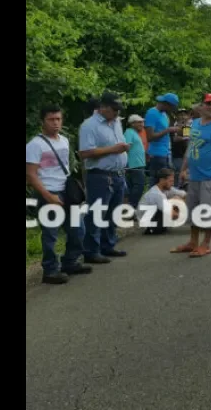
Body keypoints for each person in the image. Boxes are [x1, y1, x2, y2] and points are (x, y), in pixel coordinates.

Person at [26, 105, 91, 284]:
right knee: (51, 234)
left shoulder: (64, 140)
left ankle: (70, 262)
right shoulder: (34, 145)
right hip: (48, 192)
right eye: (51, 119)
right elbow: (30, 175)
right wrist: (48, 196)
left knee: (78, 229)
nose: (56, 123)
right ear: (42, 121)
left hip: (66, 191)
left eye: (58, 119)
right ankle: (50, 270)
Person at [174, 93, 211, 258]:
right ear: (201, 107)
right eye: (208, 104)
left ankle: (205, 244)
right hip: (194, 175)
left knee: (208, 211)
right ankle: (192, 242)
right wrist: (183, 168)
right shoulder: (195, 124)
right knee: (193, 210)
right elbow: (191, 147)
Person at [79, 92, 130, 262]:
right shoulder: (89, 125)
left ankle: (107, 245)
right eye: (114, 109)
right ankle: (91, 251)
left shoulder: (116, 123)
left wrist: (122, 149)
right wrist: (113, 149)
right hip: (100, 176)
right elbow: (85, 153)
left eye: (118, 110)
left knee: (113, 212)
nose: (117, 113)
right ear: (103, 108)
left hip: (118, 174)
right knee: (96, 214)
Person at [144, 93, 180, 186]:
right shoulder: (152, 113)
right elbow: (150, 137)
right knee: (157, 183)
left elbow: (164, 132)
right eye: (172, 107)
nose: (173, 109)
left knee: (165, 183)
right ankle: (151, 200)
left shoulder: (164, 114)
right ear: (166, 104)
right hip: (157, 155)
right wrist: (168, 130)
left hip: (166, 153)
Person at [139, 168, 186, 235]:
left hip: (155, 218)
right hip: (149, 226)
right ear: (162, 180)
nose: (172, 184)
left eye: (173, 181)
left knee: (177, 198)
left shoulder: (167, 188)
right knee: (175, 203)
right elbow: (173, 215)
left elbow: (185, 195)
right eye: (170, 181)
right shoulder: (157, 194)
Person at [124, 114, 147, 208]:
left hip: (138, 163)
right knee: (139, 185)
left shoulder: (134, 133)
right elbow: (126, 148)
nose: (142, 124)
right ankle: (132, 205)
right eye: (140, 122)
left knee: (135, 186)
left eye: (143, 122)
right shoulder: (129, 132)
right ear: (132, 123)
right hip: (134, 164)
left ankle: (131, 206)